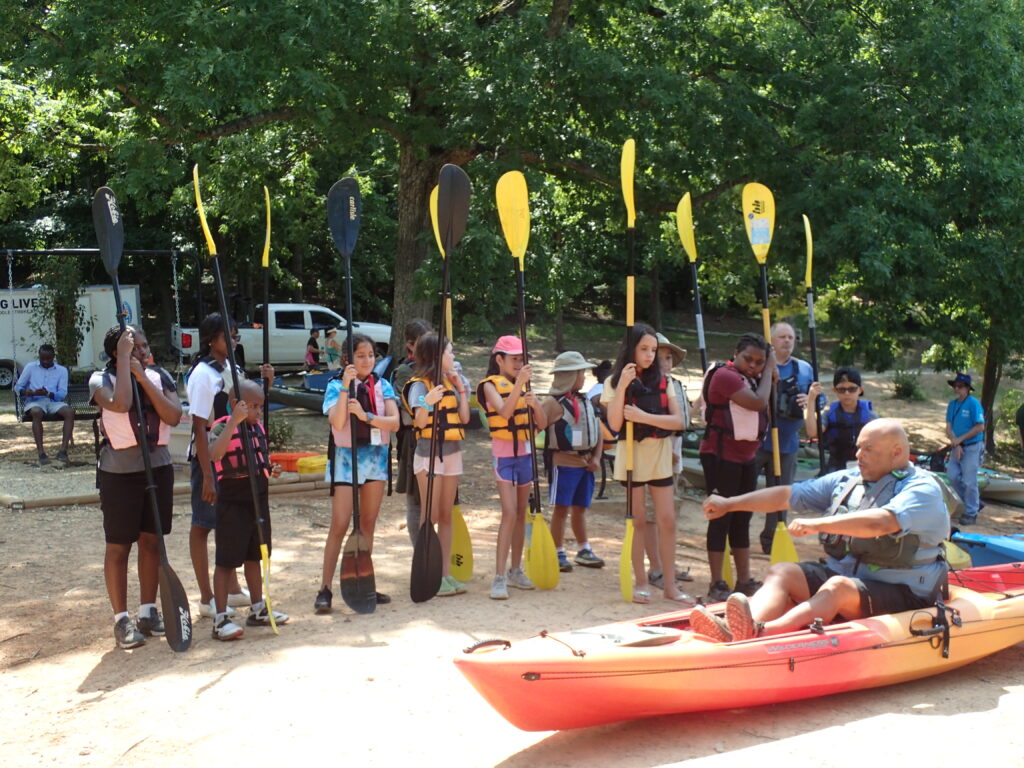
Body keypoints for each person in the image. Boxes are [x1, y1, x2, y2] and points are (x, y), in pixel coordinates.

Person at [692, 419, 950, 642]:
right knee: (784, 571)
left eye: (868, 449)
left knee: (837, 587)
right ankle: (738, 626)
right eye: (859, 447)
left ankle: (760, 633)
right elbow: (788, 496)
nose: (859, 455)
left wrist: (817, 524)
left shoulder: (922, 489)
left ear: (896, 452)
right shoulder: (849, 480)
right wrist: (731, 504)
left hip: (904, 591)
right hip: (850, 579)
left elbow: (882, 522)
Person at [90, 326, 183, 649]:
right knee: (118, 546)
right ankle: (121, 619)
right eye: (133, 347)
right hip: (119, 472)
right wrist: (127, 367)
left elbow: (173, 415)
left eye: (143, 346)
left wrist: (143, 376)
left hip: (157, 468)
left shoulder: (159, 377)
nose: (142, 351)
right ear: (116, 353)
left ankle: (148, 611)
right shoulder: (100, 380)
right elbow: (120, 403)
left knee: (152, 541)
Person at [185, 313, 273, 619]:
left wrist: (265, 384)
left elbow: (248, 406)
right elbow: (199, 425)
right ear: (212, 339)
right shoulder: (201, 375)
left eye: (236, 336)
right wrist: (207, 474)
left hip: (237, 457)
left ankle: (234, 589)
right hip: (210, 454)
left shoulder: (232, 368)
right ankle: (207, 596)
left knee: (231, 527)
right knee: (203, 523)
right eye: (228, 336)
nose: (234, 341)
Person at [602, 323, 693, 605]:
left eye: (653, 350)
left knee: (667, 520)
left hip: (660, 456)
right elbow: (615, 424)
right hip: (631, 456)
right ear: (630, 349)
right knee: (637, 521)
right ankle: (641, 581)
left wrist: (643, 417)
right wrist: (623, 388)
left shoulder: (665, 382)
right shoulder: (614, 382)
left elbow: (679, 421)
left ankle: (669, 584)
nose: (650, 355)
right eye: (644, 349)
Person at [315, 333, 400, 613]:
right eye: (361, 356)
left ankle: (364, 581)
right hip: (346, 462)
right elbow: (337, 421)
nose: (367, 361)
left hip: (375, 461)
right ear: (348, 359)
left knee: (367, 525)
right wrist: (345, 388)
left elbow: (395, 423)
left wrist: (366, 416)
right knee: (340, 524)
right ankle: (325, 587)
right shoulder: (335, 386)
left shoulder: (384, 386)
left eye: (371, 355)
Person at [207, 379, 288, 640]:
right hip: (232, 501)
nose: (256, 413)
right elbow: (214, 455)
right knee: (227, 560)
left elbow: (261, 460)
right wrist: (234, 421)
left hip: (258, 498)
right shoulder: (221, 427)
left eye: (259, 408)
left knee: (256, 555)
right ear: (236, 405)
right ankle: (220, 618)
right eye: (252, 407)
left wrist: (271, 469)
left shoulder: (258, 429)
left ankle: (257, 608)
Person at [700, 333, 774, 603]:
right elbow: (757, 403)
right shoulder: (725, 375)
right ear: (735, 354)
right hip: (720, 455)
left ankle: (744, 580)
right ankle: (717, 582)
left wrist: (768, 370)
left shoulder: (754, 378)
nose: (754, 366)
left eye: (760, 362)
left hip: (746, 457)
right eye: (748, 359)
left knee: (742, 519)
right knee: (721, 518)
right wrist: (770, 368)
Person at [401, 332, 471, 597]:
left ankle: (444, 574)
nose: (453, 357)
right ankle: (428, 572)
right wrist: (426, 402)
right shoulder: (420, 385)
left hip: (452, 453)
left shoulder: (454, 382)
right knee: (428, 517)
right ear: (435, 356)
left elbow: (464, 418)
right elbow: (418, 421)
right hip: (428, 455)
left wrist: (460, 388)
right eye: (449, 352)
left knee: (446, 515)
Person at [478, 336, 548, 599]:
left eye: (522, 359)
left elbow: (541, 423)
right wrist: (519, 385)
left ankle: (515, 569)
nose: (519, 363)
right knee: (508, 513)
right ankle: (498, 576)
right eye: (514, 359)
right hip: (504, 456)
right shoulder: (488, 386)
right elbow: (504, 413)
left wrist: (536, 404)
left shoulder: (525, 387)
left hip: (525, 455)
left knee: (521, 513)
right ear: (500, 360)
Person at [541, 351, 604, 572]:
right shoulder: (552, 403)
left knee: (580, 508)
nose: (584, 377)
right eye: (581, 373)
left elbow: (598, 431)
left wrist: (596, 458)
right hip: (564, 464)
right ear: (569, 375)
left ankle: (583, 548)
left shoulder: (584, 400)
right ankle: (556, 550)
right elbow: (535, 425)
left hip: (586, 465)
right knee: (561, 508)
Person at [755, 321, 815, 552]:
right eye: (782, 337)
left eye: (791, 337)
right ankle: (735, 535)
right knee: (744, 491)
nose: (787, 341)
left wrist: (808, 401)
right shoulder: (760, 364)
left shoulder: (805, 369)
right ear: (772, 340)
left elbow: (819, 400)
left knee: (780, 498)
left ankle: (771, 541)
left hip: (788, 445)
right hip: (757, 441)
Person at [391, 319, 432, 544]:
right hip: (413, 440)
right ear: (410, 346)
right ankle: (421, 554)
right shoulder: (406, 372)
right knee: (417, 500)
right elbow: (408, 414)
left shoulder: (441, 370)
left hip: (440, 440)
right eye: (423, 344)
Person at [805, 367, 878, 473]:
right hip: (836, 467)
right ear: (834, 390)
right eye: (842, 390)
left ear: (860, 390)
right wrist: (811, 400)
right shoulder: (830, 414)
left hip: (864, 466)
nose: (847, 393)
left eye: (852, 389)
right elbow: (812, 433)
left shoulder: (870, 416)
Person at [16, 343, 74, 465]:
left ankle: (63, 451)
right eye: (43, 358)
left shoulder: (61, 370)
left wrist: (48, 394)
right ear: (39, 356)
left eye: (48, 358)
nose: (46, 361)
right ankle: (41, 453)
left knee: (69, 411)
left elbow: (62, 393)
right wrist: (30, 393)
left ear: (53, 356)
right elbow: (17, 387)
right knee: (37, 412)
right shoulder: (30, 367)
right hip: (34, 401)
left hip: (52, 401)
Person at [945, 373, 985, 526]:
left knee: (969, 481)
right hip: (957, 447)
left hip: (973, 447)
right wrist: (956, 444)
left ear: (968, 388)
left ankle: (971, 512)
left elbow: (980, 426)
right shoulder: (952, 404)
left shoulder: (973, 404)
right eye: (955, 386)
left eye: (960, 386)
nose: (957, 389)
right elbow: (948, 427)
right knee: (952, 476)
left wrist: (959, 441)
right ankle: (974, 502)